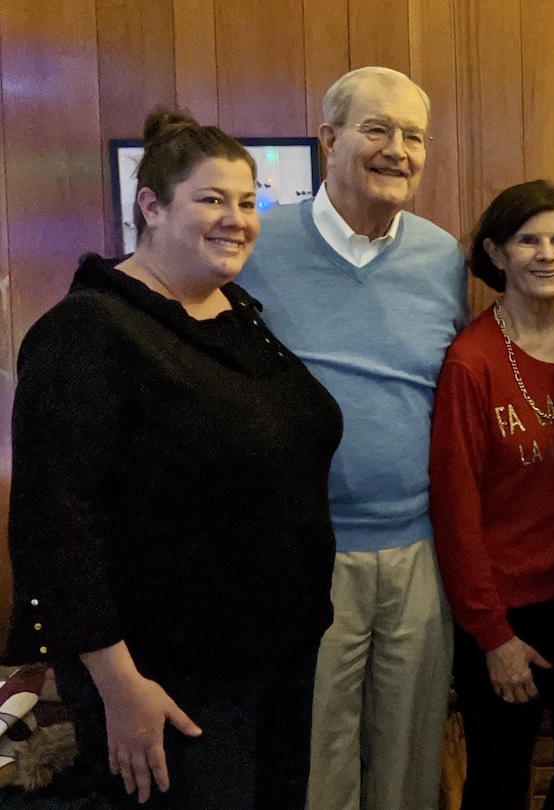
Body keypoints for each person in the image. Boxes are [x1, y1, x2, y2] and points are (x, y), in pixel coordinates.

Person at [6, 108, 342, 808]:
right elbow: (57, 526)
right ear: (151, 207)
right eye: (212, 199)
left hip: (275, 663)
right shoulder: (88, 333)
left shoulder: (237, 315)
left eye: (249, 202)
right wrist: (119, 686)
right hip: (170, 681)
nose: (238, 219)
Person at [239, 66, 469, 810]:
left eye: (413, 136)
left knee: (407, 760)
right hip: (306, 553)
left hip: (418, 551)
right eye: (376, 130)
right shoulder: (256, 248)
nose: (396, 150)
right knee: (317, 761)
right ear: (330, 139)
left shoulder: (443, 258)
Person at [429, 180, 554, 810]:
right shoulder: (472, 361)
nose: (548, 254)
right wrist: (492, 636)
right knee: (499, 778)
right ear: (496, 252)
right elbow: (456, 509)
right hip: (507, 609)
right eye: (528, 240)